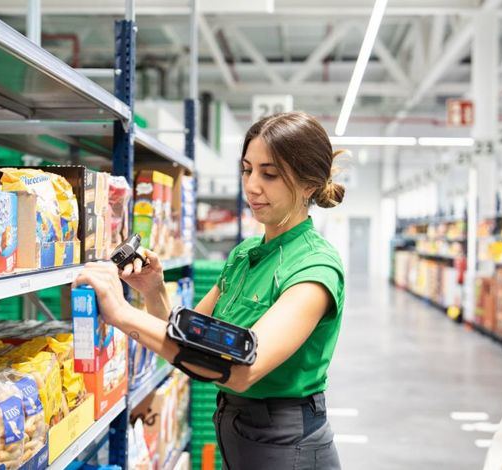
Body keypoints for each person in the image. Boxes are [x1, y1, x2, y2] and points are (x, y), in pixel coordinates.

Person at [75, 111, 347, 469]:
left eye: (270, 174)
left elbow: (240, 368)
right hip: (239, 430)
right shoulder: (244, 255)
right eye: (247, 169)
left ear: (309, 185)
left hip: (287, 444)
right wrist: (153, 292)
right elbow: (189, 341)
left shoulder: (315, 268)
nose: (251, 186)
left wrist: (122, 314)